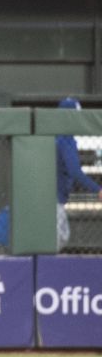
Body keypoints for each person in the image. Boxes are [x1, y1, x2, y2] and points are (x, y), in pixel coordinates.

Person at [56, 97, 102, 250]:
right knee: (58, 239)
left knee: (61, 236)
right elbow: (74, 171)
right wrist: (98, 190)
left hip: (49, 197)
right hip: (52, 200)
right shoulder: (64, 139)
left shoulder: (54, 136)